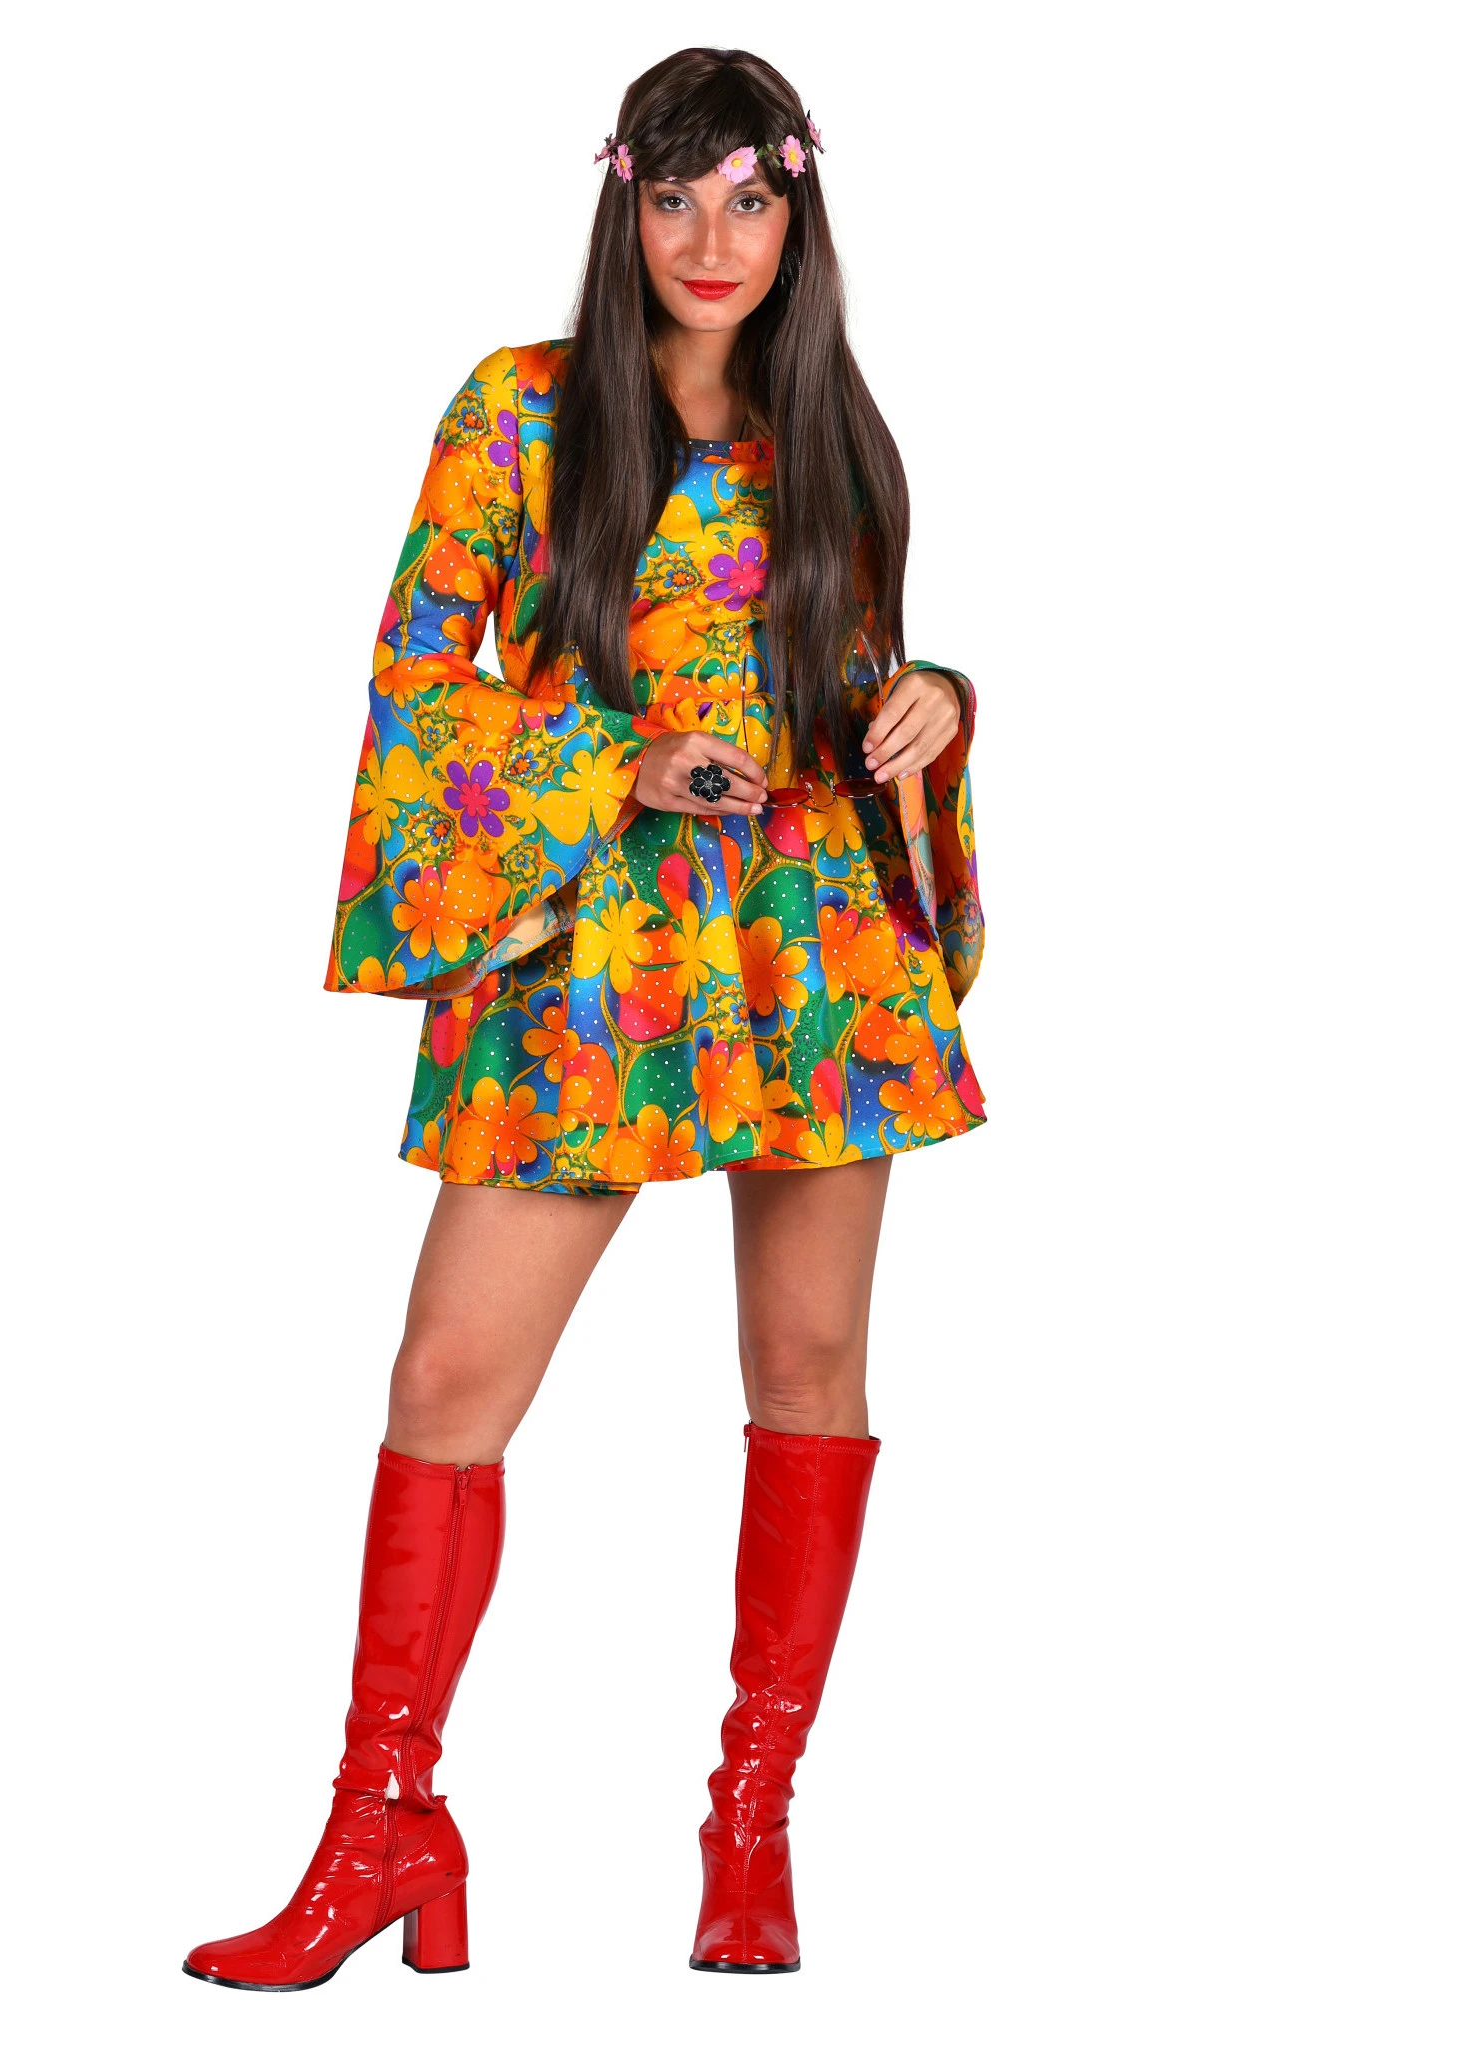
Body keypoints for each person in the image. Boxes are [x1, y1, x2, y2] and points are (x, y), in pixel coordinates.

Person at [183, 45, 986, 1990]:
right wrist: (615, 763)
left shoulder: (835, 435)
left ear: (797, 218)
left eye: (751, 200)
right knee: (447, 1380)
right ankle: (385, 1826)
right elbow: (413, 676)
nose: (713, 240)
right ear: (623, 205)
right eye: (676, 198)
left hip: (806, 950)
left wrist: (936, 704)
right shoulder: (521, 408)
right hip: (583, 951)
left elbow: (854, 681)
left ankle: (749, 1826)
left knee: (808, 1365)